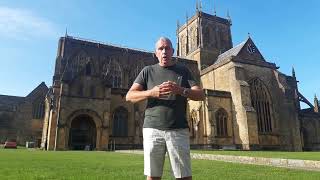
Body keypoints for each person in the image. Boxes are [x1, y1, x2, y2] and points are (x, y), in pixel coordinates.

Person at [126, 37, 204, 180]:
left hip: (178, 129)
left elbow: (200, 95)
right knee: (153, 176)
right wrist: (151, 92)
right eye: (161, 49)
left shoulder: (183, 70)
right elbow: (129, 96)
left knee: (184, 176)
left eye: (167, 48)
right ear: (156, 53)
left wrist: (180, 90)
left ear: (173, 51)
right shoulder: (147, 71)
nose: (164, 51)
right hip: (152, 129)